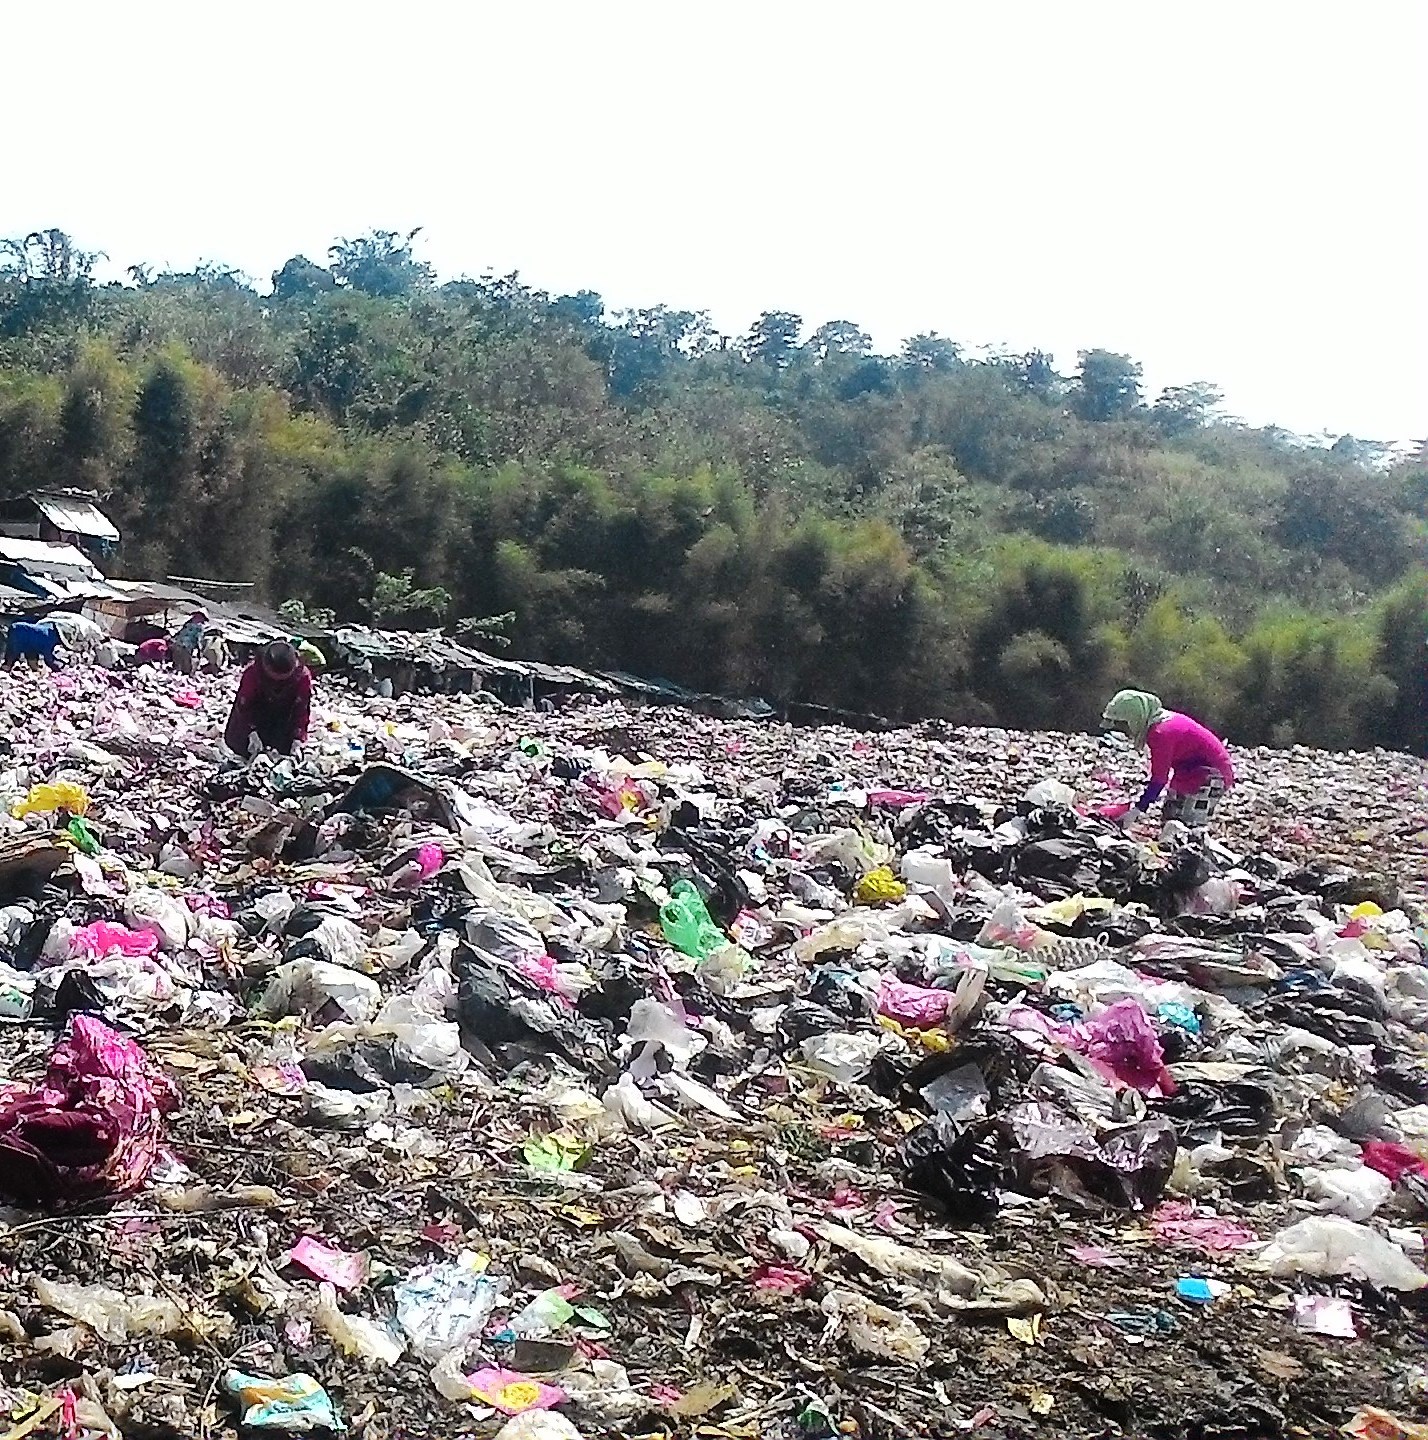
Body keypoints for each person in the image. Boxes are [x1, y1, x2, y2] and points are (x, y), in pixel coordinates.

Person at [1101, 689, 1235, 829]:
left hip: (1211, 775)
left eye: (1125, 724)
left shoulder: (1160, 733)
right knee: (1171, 819)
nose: (1125, 731)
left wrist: (1137, 810)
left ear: (1135, 717)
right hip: (1188, 771)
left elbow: (1159, 778)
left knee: (1186, 827)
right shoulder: (1159, 721)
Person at [225, 640, 313, 758]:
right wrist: (251, 732)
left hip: (283, 720)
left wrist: (298, 738)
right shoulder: (253, 673)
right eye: (274, 678)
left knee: (281, 757)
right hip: (255, 715)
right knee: (241, 750)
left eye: (282, 679)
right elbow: (244, 705)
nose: (277, 683)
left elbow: (302, 709)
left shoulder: (302, 676)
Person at [170, 609, 209, 675]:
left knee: (185, 664)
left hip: (187, 647)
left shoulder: (199, 628)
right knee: (178, 660)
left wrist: (199, 650)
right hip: (179, 644)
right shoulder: (187, 624)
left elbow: (199, 640)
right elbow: (180, 633)